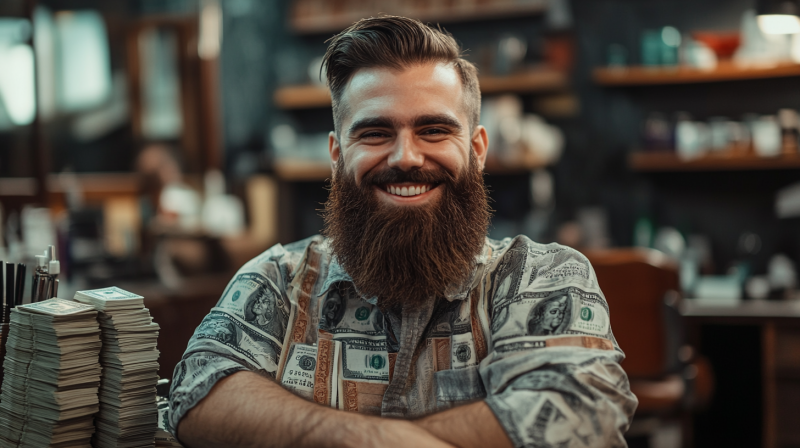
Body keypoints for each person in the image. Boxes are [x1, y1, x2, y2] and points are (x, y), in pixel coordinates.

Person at [169, 16, 637, 448]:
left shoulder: (542, 277)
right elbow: (196, 394)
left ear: (477, 150)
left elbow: (581, 417)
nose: (405, 157)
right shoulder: (277, 278)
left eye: (433, 130)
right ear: (336, 156)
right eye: (374, 133)